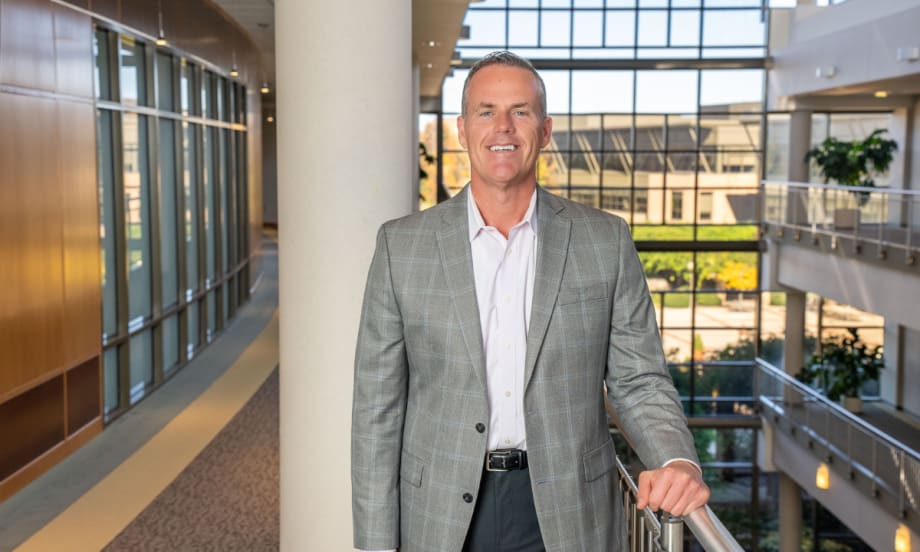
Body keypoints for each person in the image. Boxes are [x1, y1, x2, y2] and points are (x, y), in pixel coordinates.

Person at [352, 51, 709, 552]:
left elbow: (638, 379)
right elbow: (377, 411)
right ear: (461, 129)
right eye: (486, 111)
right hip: (438, 510)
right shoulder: (401, 247)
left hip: (566, 511)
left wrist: (677, 461)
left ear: (544, 130)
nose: (503, 126)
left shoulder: (605, 240)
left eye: (520, 111)